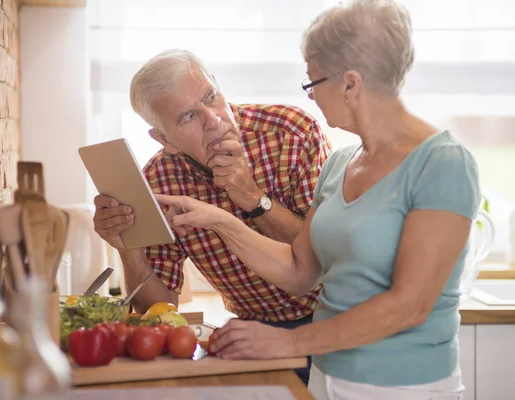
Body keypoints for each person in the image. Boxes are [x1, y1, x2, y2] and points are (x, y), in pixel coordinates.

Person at [155, 1, 481, 398]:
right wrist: (219, 220)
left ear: (350, 84)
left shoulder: (443, 163)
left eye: (312, 83)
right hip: (329, 377)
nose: (309, 97)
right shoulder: (341, 163)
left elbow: (409, 305)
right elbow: (300, 271)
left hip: (407, 386)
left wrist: (290, 344)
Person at [92, 49, 332, 384]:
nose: (214, 119)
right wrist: (127, 247)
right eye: (188, 116)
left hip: (334, 318)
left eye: (211, 97)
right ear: (165, 139)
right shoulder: (158, 182)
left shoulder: (292, 132)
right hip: (252, 330)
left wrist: (250, 196)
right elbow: (158, 309)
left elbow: (325, 258)